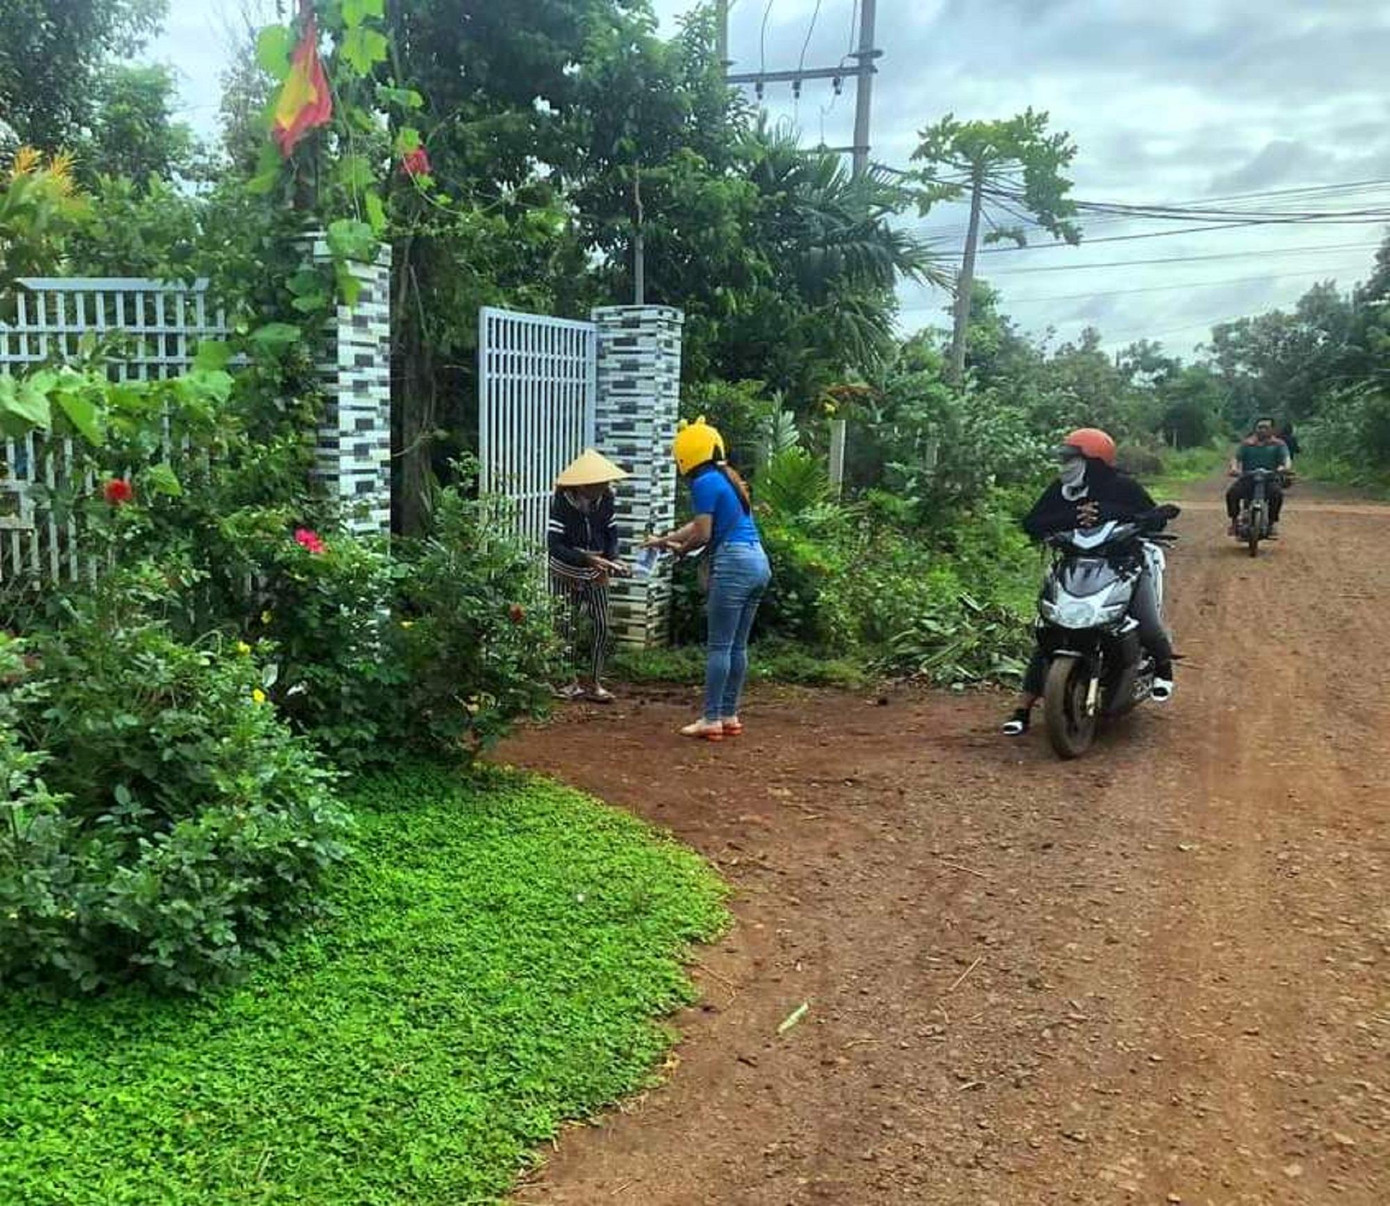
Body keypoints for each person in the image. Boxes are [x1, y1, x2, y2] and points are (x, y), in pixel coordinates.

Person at [1003, 427, 1176, 736]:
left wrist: (1111, 512)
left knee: (1147, 623)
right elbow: (1032, 523)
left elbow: (1154, 516)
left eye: (1072, 458)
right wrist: (1072, 516)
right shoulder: (1062, 490)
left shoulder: (1122, 486)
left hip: (1124, 565)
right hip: (1076, 567)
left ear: (1093, 461)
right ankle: (1022, 708)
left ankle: (1164, 667)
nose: (1064, 465)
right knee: (1051, 632)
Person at [646, 417, 771, 741]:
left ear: (685, 454)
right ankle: (729, 715)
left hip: (733, 564)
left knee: (719, 646)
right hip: (757, 562)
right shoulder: (728, 479)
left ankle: (711, 719)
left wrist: (679, 550)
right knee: (737, 646)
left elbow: (702, 534)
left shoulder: (703, 483)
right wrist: (666, 540)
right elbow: (698, 525)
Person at [548, 449, 631, 703]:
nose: (605, 486)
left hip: (597, 569)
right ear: (584, 485)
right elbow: (555, 544)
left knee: (601, 626)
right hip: (566, 569)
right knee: (565, 625)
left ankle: (595, 682)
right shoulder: (562, 502)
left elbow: (611, 533)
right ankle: (568, 680)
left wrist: (614, 558)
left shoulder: (606, 499)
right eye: (600, 483)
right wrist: (586, 558)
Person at [1226, 417, 1293, 538]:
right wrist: (1234, 468)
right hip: (1248, 478)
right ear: (1255, 429)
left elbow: (1286, 459)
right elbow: (1236, 458)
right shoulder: (1247, 444)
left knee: (1277, 494)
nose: (1262, 430)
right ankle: (1234, 522)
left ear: (1272, 430)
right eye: (1259, 427)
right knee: (1232, 494)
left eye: (1265, 427)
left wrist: (1285, 468)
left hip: (1269, 479)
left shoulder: (1278, 444)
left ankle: (1272, 523)